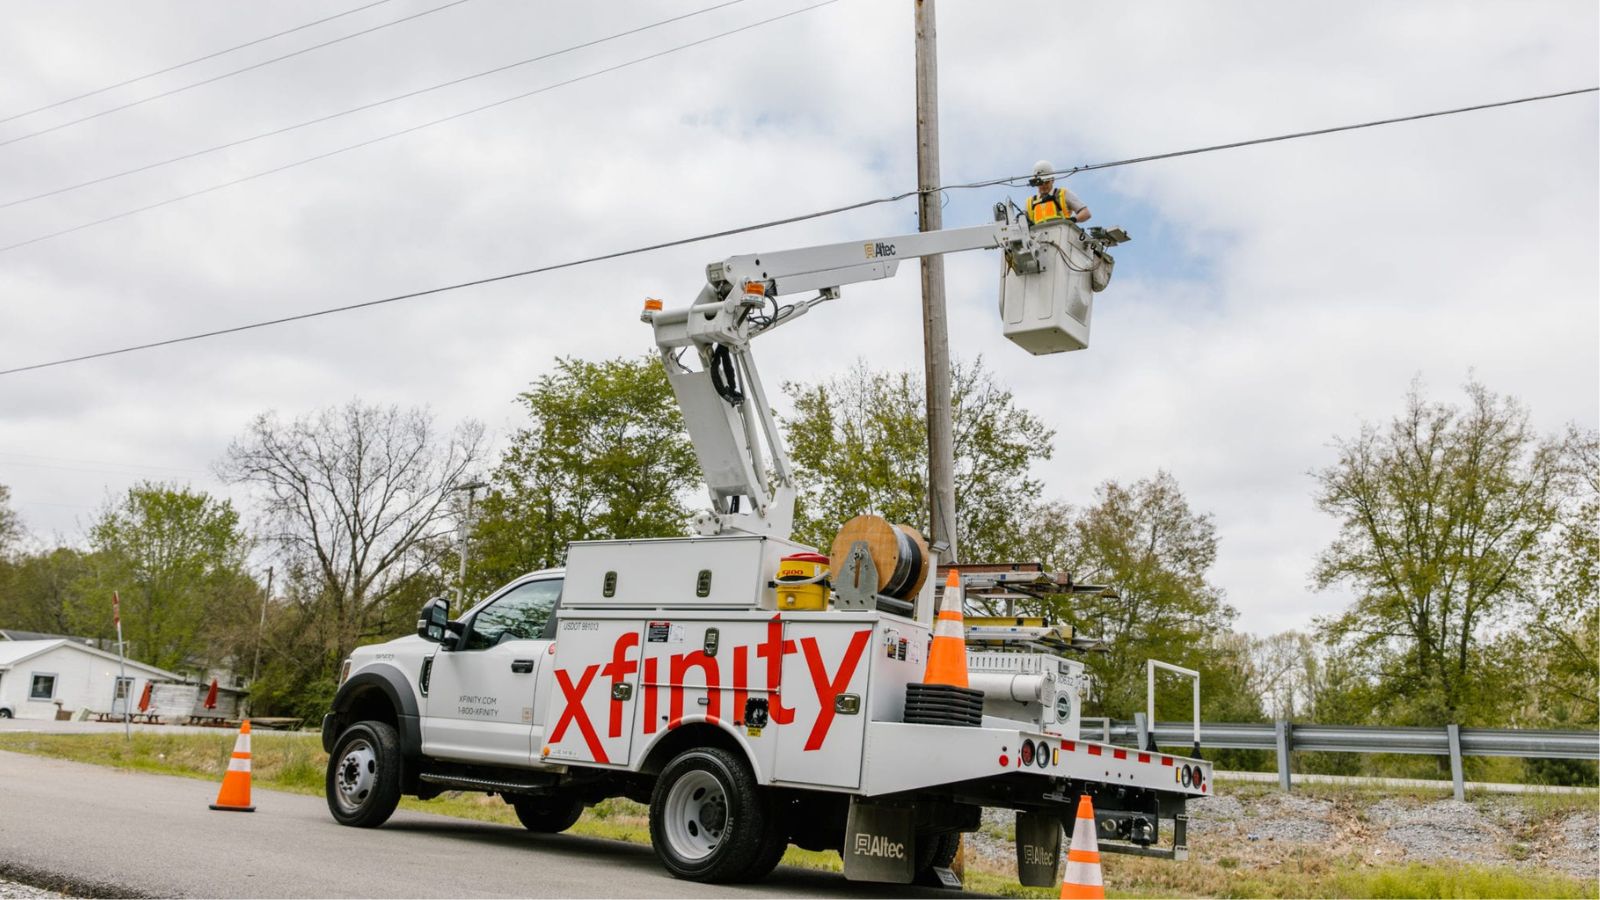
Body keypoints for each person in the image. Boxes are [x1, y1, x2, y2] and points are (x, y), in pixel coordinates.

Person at [1026, 160, 1090, 225]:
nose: (1043, 186)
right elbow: (1021, 223)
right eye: (1040, 183)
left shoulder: (1063, 194)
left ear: (1053, 180)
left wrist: (1072, 220)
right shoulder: (1030, 202)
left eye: (1046, 182)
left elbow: (1086, 213)